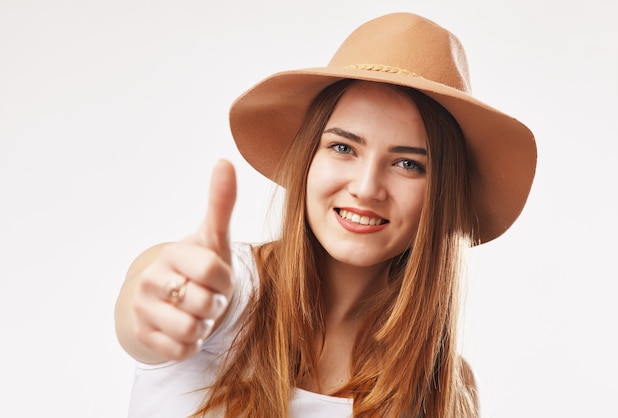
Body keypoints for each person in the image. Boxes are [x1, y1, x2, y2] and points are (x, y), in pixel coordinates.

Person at [114, 12, 536, 418]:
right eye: (343, 147)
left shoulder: (444, 388)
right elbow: (148, 310)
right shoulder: (228, 292)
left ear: (441, 196)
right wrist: (161, 303)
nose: (367, 187)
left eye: (408, 163)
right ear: (307, 159)